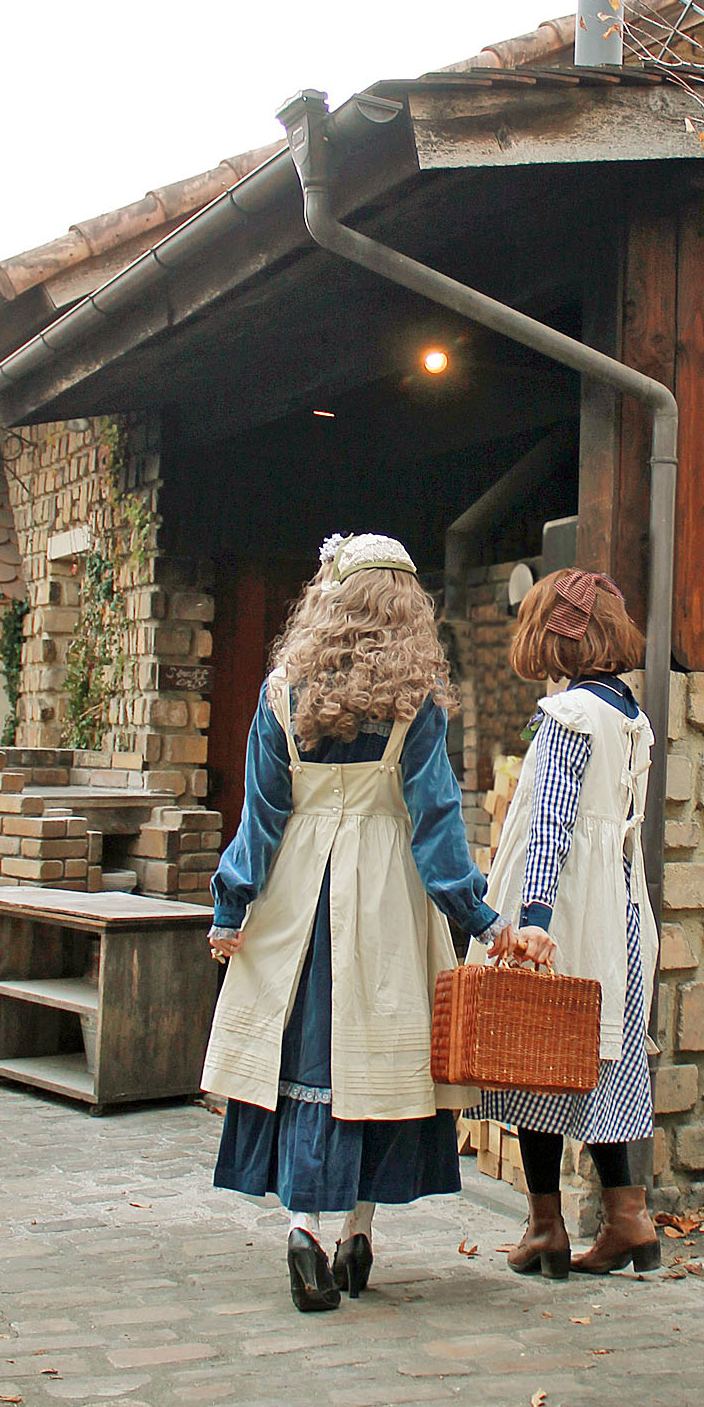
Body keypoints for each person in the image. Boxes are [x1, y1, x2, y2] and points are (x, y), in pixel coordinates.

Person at [202, 532, 512, 1313]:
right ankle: (359, 1234)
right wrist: (480, 916)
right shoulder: (417, 705)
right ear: (408, 612)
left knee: (309, 1055)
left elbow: (260, 820)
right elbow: (437, 825)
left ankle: (304, 1231)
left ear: (329, 601)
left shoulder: (282, 694)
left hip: (298, 899)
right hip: (385, 903)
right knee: (379, 1063)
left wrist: (231, 905)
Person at [466, 568, 661, 1279]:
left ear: (560, 634)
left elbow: (551, 823)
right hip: (618, 908)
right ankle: (629, 1219)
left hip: (568, 908)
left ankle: (545, 1225)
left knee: (537, 1056)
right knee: (603, 1064)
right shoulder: (628, 715)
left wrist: (535, 918)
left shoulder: (570, 715)